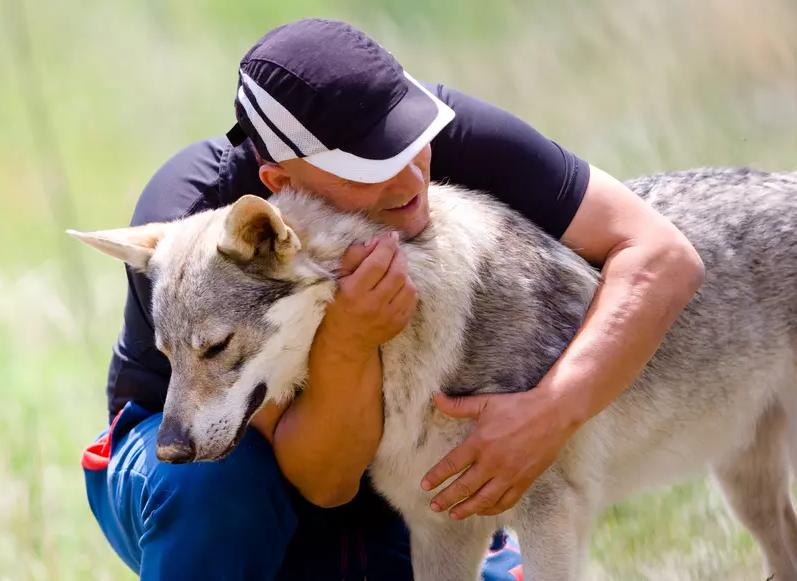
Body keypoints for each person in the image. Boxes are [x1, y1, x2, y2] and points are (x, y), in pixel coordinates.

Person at [81, 18, 705, 581]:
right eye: (367, 164)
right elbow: (322, 479)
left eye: (413, 143)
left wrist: (550, 412)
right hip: (214, 474)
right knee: (219, 488)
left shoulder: (429, 136)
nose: (411, 178)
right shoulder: (191, 228)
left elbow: (664, 256)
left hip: (384, 494)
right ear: (280, 182)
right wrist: (352, 338)